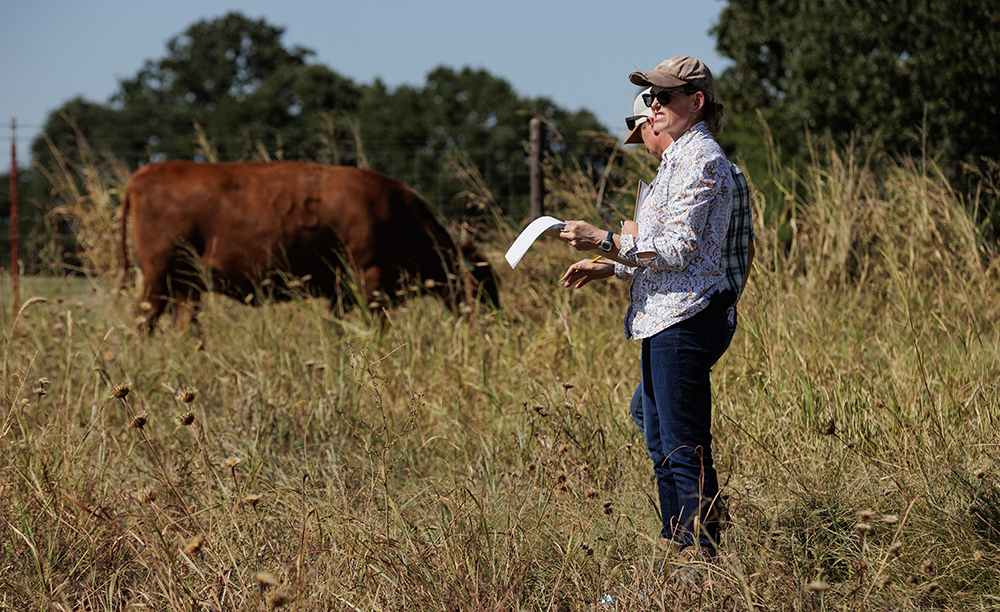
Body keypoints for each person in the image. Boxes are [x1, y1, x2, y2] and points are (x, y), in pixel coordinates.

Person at [559, 56, 735, 557]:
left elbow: (679, 250)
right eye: (651, 97)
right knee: (662, 440)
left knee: (683, 447)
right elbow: (673, 253)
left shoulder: (703, 160)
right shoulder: (676, 161)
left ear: (695, 102)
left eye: (664, 97)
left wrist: (606, 240)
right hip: (660, 319)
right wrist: (611, 266)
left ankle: (698, 565)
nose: (653, 107)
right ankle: (677, 553)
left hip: (683, 318)